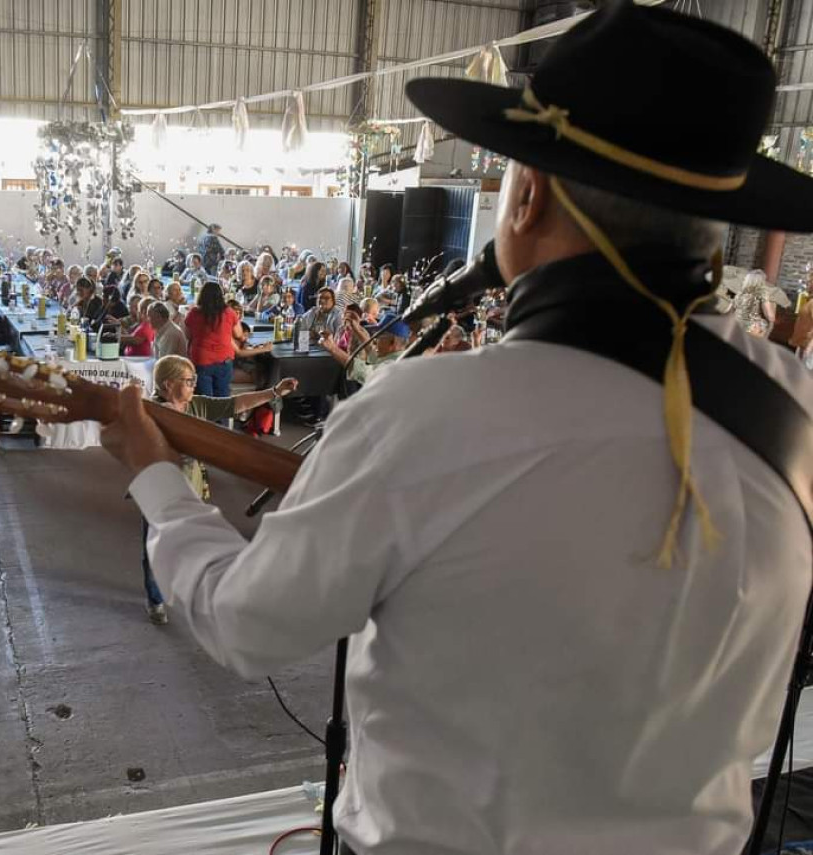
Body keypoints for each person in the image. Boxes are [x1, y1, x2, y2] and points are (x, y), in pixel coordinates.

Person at [100, 5, 813, 853]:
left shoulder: (425, 412)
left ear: (529, 193)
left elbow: (245, 623)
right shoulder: (793, 402)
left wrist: (154, 472)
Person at [135, 355, 297, 623]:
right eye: (188, 381)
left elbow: (234, 404)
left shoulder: (196, 406)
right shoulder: (150, 411)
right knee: (154, 548)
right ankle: (155, 599)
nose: (193, 386)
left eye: (193, 380)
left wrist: (275, 391)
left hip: (192, 490)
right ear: (167, 385)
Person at [183, 281, 242, 397]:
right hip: (224, 359)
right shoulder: (229, 313)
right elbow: (239, 334)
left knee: (204, 400)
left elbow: (188, 335)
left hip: (201, 359)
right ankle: (222, 416)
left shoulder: (194, 313)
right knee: (222, 399)